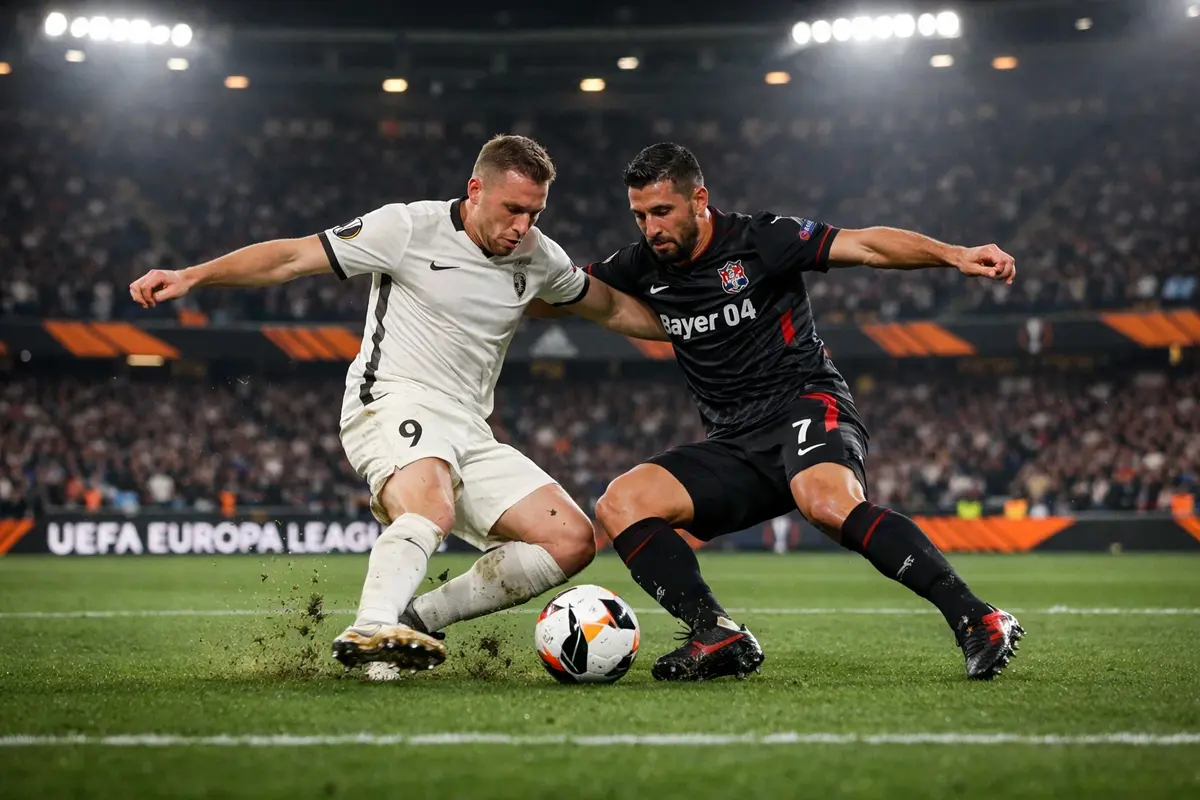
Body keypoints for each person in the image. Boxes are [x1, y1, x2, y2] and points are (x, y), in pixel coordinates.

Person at [128, 135, 667, 676]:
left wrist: (693, 327)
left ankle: (416, 619)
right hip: (391, 396)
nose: (522, 226)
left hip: (469, 427)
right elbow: (291, 257)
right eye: (512, 209)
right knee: (430, 508)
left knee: (570, 540)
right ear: (475, 189)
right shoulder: (407, 228)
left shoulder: (539, 256)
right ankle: (370, 627)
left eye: (534, 212)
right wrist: (192, 275)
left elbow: (611, 309)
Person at [586, 142, 1023, 681]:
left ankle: (978, 618)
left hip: (804, 404)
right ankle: (713, 631)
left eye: (661, 212)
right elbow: (558, 289)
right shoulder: (640, 266)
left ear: (699, 199)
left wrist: (954, 254)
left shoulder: (761, 239)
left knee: (826, 503)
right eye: (639, 216)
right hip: (733, 444)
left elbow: (866, 246)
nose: (650, 228)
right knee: (620, 503)